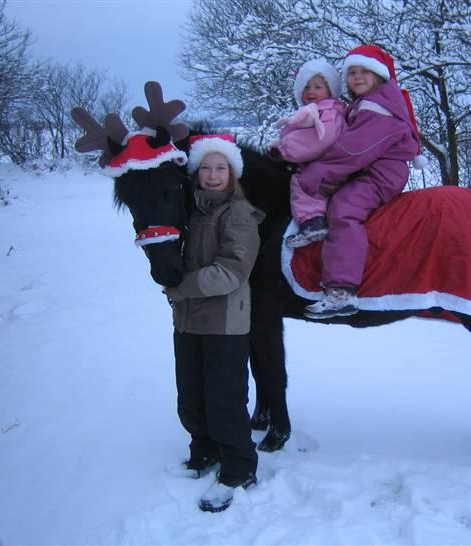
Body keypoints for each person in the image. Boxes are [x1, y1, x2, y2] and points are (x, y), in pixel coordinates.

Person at [164, 133, 264, 513]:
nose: (212, 174)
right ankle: (204, 451)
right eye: (205, 167)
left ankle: (239, 468)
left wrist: (181, 286)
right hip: (187, 321)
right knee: (190, 396)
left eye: (220, 167)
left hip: (225, 324)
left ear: (232, 173)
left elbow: (231, 272)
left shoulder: (238, 214)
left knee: (224, 400)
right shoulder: (192, 212)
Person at [296, 45, 424, 319]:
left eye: (364, 71)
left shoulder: (377, 107)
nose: (357, 76)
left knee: (343, 209)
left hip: (381, 174)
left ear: (378, 76)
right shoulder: (369, 102)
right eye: (352, 72)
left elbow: (354, 150)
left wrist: (320, 170)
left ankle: (341, 290)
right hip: (372, 168)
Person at [269, 58, 346, 248]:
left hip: (329, 168)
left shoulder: (329, 113)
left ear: (331, 90)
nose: (311, 91)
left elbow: (320, 140)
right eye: (306, 87)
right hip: (322, 165)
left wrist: (284, 149)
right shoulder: (315, 111)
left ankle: (313, 222)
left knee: (301, 184)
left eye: (318, 86)